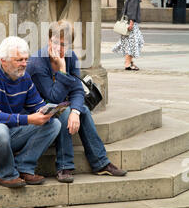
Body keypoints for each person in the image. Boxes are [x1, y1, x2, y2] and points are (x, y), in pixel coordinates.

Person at [26, 20, 127, 183]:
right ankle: (64, 166)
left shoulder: (71, 56)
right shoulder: (38, 63)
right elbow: (53, 98)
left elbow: (78, 89)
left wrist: (76, 111)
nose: (59, 48)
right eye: (55, 42)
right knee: (66, 114)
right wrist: (63, 70)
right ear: (48, 40)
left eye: (64, 44)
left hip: (61, 104)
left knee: (82, 111)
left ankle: (101, 163)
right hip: (39, 108)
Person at [0, 36, 61, 188]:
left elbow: (37, 105)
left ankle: (24, 167)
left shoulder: (25, 78)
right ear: (3, 60)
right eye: (19, 60)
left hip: (8, 135)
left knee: (54, 124)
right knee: (0, 130)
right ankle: (6, 174)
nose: (24, 64)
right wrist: (29, 119)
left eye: (26, 59)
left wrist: (48, 111)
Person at [113, 0, 151, 71]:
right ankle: (128, 63)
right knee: (134, 43)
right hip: (132, 24)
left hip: (128, 23)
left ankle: (129, 62)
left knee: (131, 43)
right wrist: (131, 24)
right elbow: (131, 12)